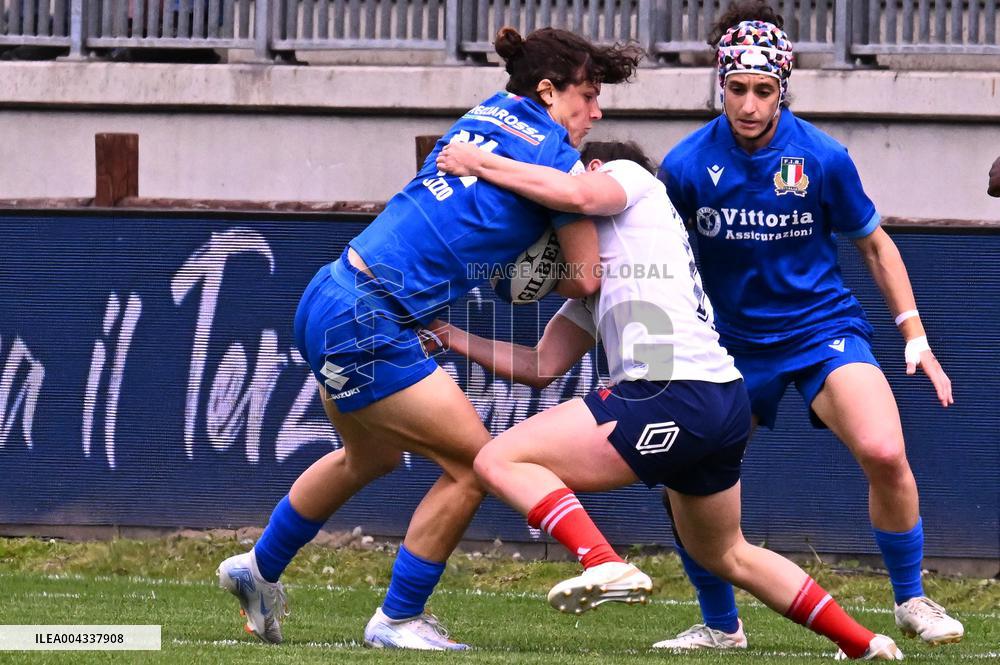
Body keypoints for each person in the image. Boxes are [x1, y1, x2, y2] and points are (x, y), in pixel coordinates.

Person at [214, 26, 642, 649]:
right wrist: (539, 267)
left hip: (330, 292)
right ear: (549, 92)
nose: (596, 112)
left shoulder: (483, 114)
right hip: (370, 319)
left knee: (370, 457)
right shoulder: (558, 161)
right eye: (589, 95)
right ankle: (397, 619)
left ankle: (257, 568)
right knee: (476, 466)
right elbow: (584, 278)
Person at [431, 139, 904, 660]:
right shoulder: (616, 265)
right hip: (720, 397)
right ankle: (864, 642)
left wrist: (480, 163)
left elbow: (576, 194)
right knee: (727, 552)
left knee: (498, 459)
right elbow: (540, 366)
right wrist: (451, 336)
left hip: (670, 393)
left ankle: (602, 561)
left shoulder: (630, 177)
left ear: (594, 169)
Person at [651, 1, 963, 652]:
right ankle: (720, 625)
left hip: (821, 330)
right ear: (720, 85)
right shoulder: (683, 166)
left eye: (764, 90)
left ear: (783, 90)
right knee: (685, 475)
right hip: (728, 345)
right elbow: (655, 254)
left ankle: (911, 599)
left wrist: (915, 335)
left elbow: (875, 246)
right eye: (737, 88)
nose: (749, 104)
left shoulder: (822, 157)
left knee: (885, 451)